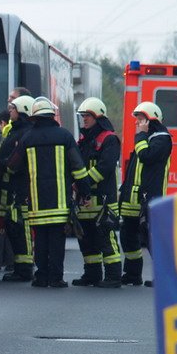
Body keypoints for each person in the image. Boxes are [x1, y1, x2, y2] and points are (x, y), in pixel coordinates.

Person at [8, 97, 89, 288]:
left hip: (36, 202)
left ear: (34, 117)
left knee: (41, 240)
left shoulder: (27, 138)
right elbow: (78, 168)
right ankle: (56, 278)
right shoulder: (65, 136)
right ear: (52, 116)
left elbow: (12, 166)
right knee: (57, 241)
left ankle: (41, 277)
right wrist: (85, 192)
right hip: (60, 201)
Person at [118, 101, 173, 287]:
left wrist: (141, 136)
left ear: (151, 120)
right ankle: (132, 274)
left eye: (140, 119)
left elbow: (147, 156)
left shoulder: (162, 139)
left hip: (150, 198)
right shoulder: (144, 139)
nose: (137, 123)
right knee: (128, 235)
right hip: (134, 198)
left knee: (152, 239)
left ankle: (166, 276)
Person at [72, 97, 123, 288]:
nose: (84, 119)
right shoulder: (83, 141)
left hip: (103, 201)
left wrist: (83, 182)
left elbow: (106, 166)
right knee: (87, 241)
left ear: (98, 117)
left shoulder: (109, 139)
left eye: (87, 116)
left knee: (106, 239)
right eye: (83, 116)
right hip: (85, 202)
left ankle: (113, 276)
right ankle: (92, 275)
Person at [0, 95, 35, 282]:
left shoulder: (25, 134)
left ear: (22, 110)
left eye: (13, 108)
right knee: (14, 227)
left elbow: (16, 162)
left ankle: (25, 268)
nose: (10, 111)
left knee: (22, 227)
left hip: (22, 187)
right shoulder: (16, 131)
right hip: (12, 187)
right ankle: (20, 267)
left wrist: (2, 164)